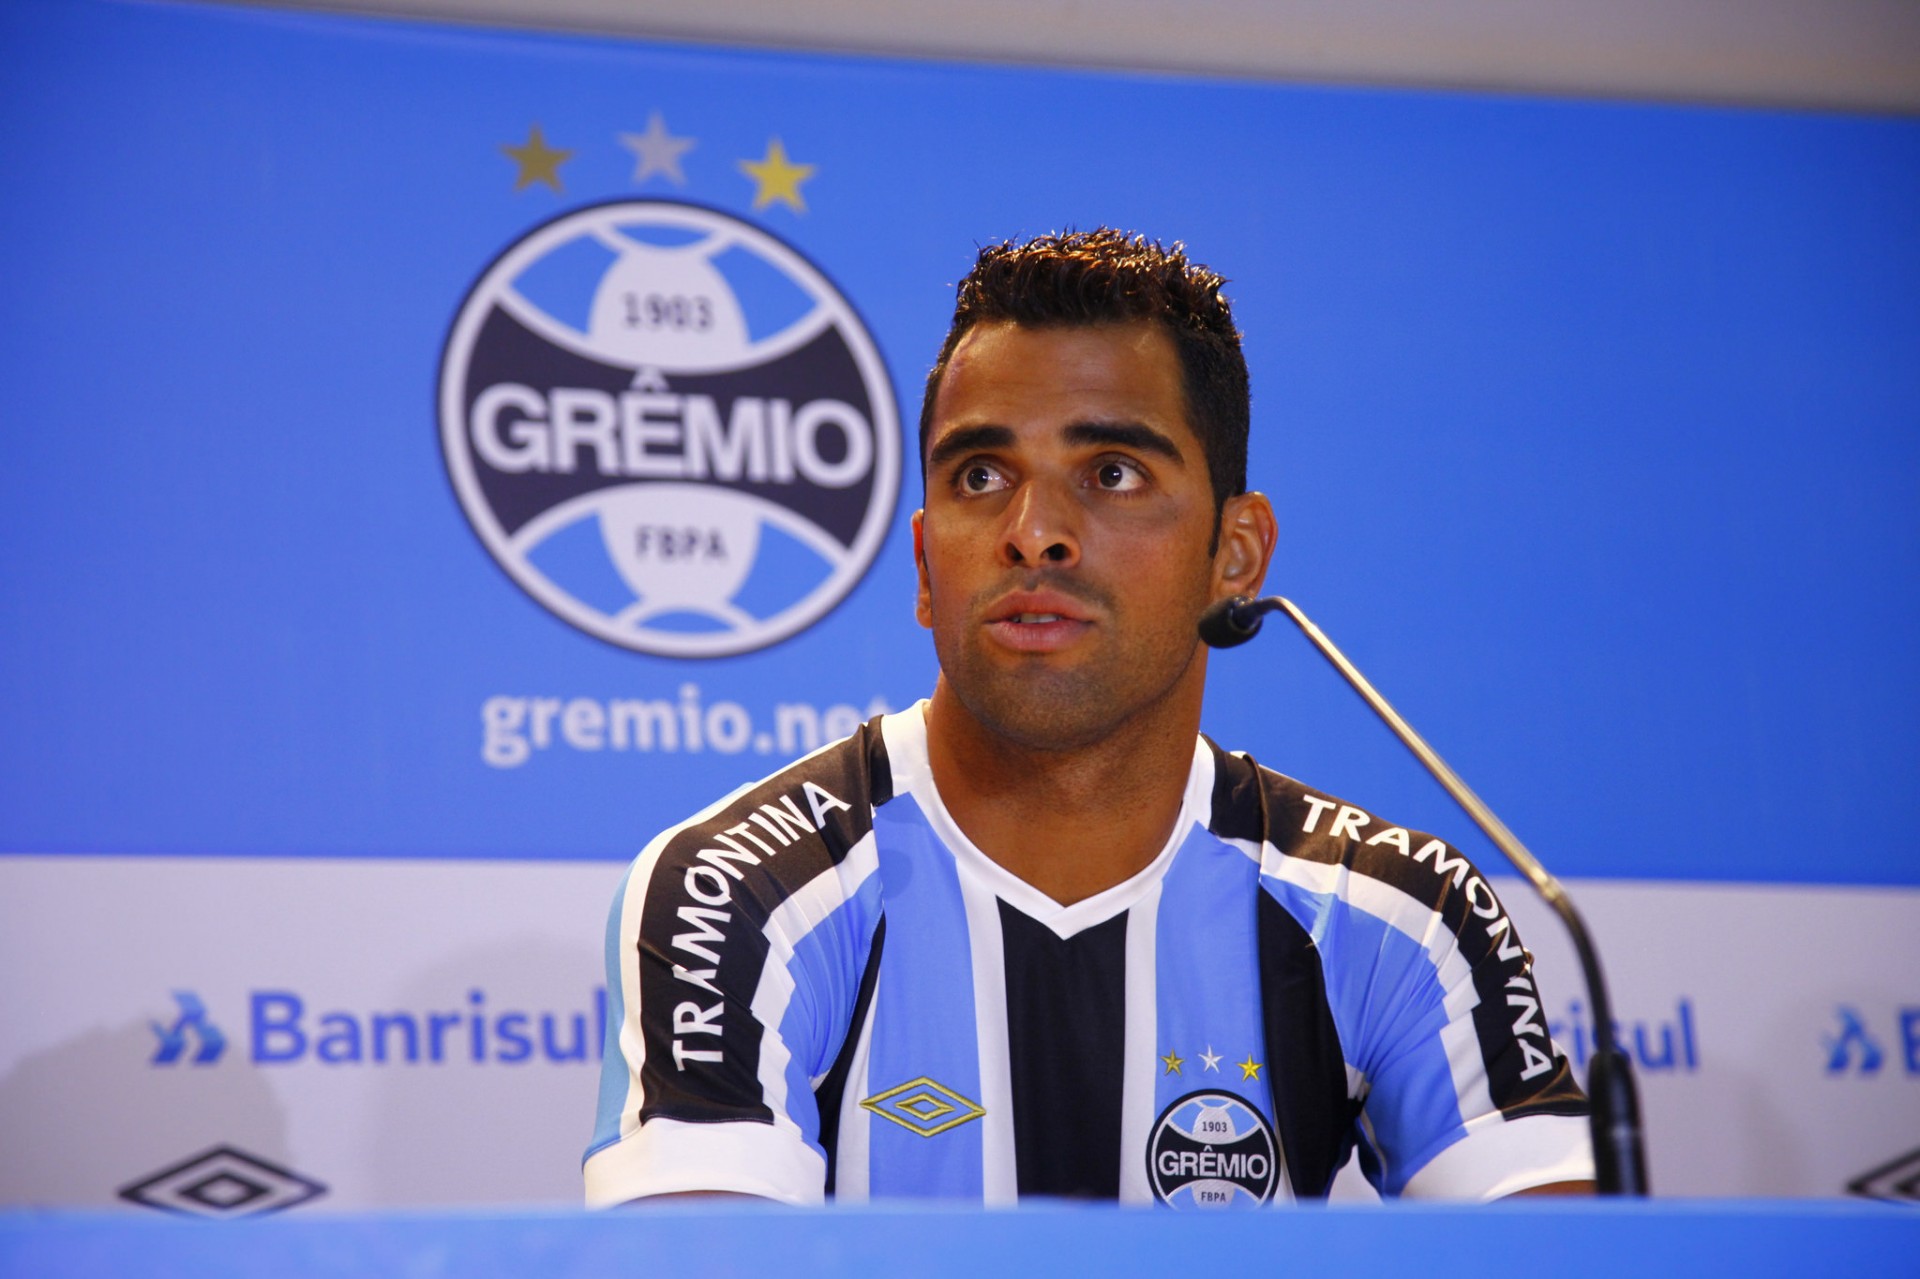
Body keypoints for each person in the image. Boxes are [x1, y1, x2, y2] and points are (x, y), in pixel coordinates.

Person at [583, 229, 1595, 1207]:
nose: (1034, 534)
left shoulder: (1396, 915)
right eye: (982, 476)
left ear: (1236, 554)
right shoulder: (737, 896)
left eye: (1112, 472)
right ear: (926, 563)